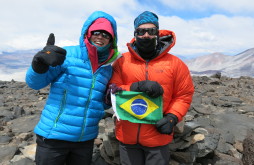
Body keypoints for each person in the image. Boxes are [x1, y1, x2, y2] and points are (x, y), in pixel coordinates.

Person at [25, 11, 119, 165]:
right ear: (87, 33)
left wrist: (108, 100)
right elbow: (35, 83)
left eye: (106, 34)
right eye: (96, 32)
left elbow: (96, 104)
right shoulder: (67, 55)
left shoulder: (107, 69)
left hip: (84, 140)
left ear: (112, 39)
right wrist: (38, 65)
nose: (100, 37)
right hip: (54, 137)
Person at [107, 11, 194, 165]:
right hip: (127, 137)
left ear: (158, 33)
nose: (146, 35)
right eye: (141, 31)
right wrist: (136, 86)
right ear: (135, 34)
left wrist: (172, 118)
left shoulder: (175, 64)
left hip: (158, 137)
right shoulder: (122, 61)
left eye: (151, 31)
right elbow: (113, 90)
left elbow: (183, 95)